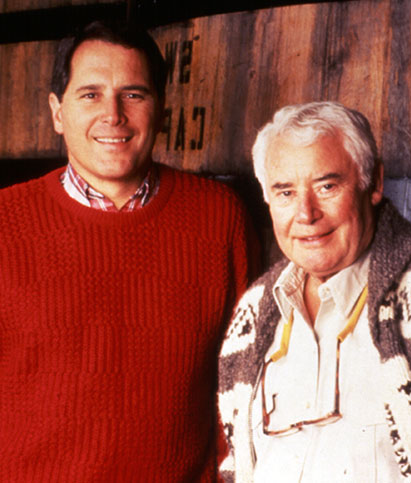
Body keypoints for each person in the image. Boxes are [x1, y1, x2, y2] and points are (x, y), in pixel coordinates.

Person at [0, 20, 259, 481]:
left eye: (134, 94)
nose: (113, 114)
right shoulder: (6, 221)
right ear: (57, 113)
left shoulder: (219, 217)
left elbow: (243, 379)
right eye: (90, 95)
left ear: (160, 110)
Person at [218, 101, 411, 482]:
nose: (306, 214)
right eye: (286, 192)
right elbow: (236, 465)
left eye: (326, 186)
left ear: (372, 183)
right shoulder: (255, 310)